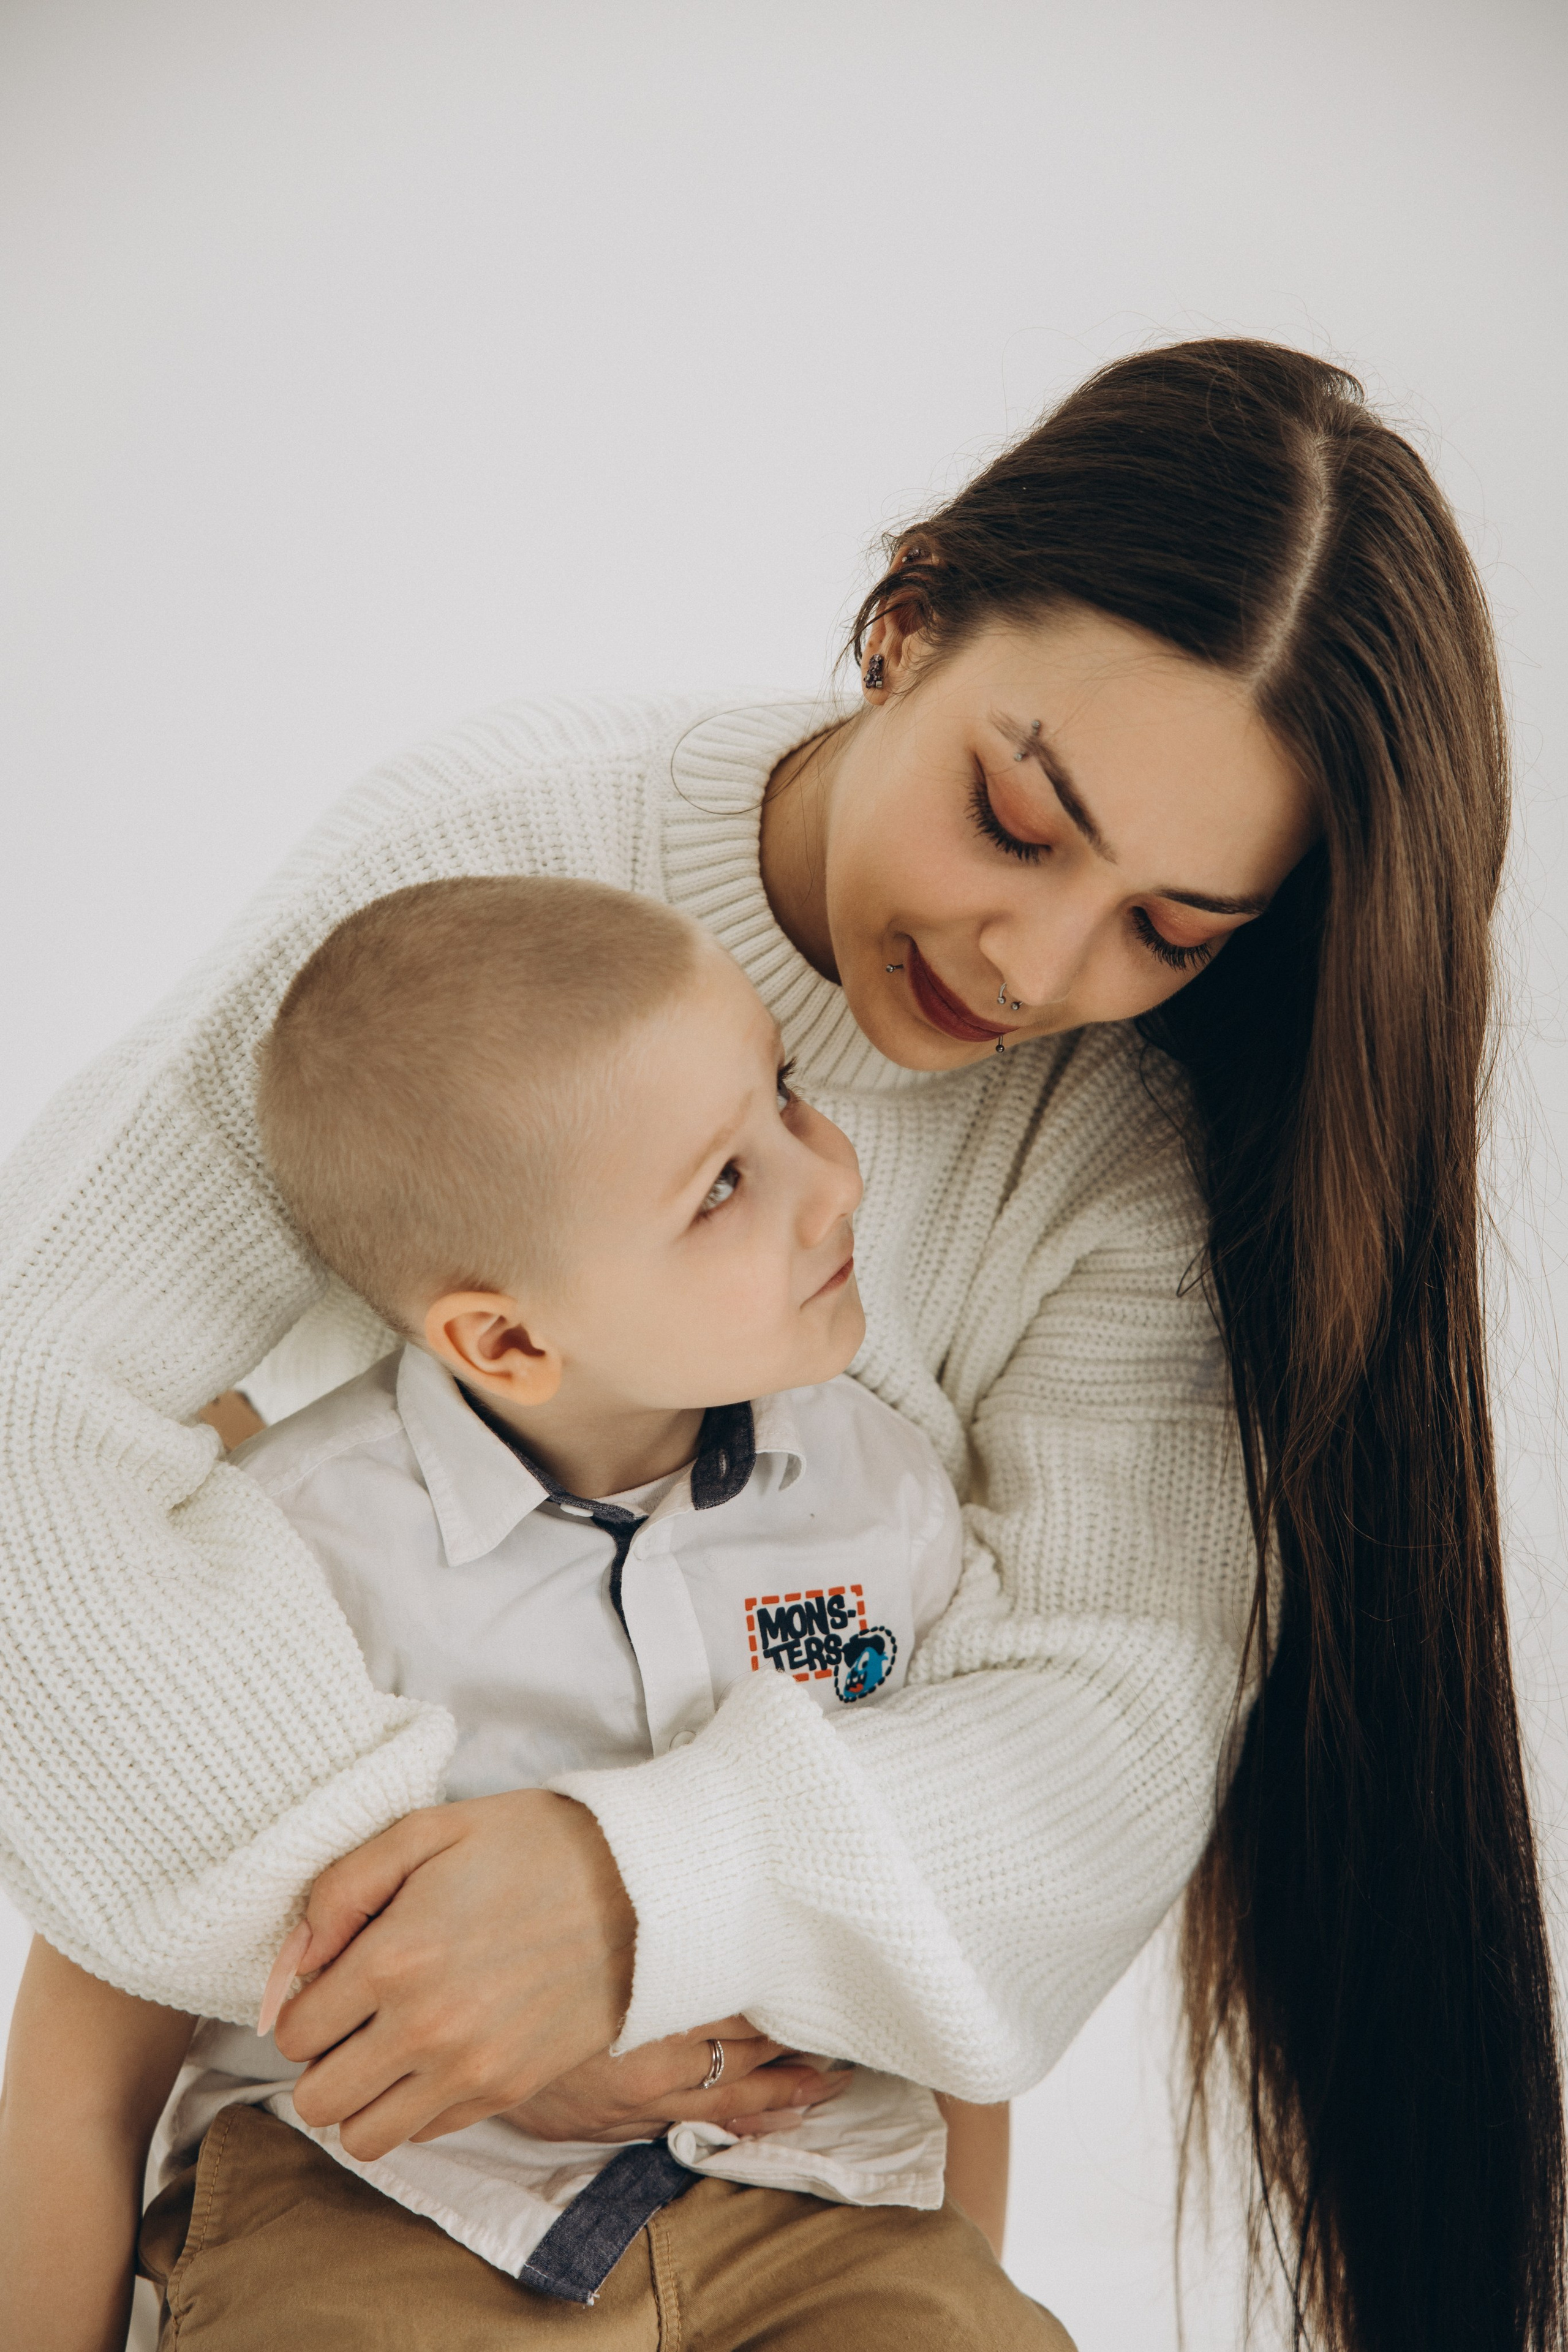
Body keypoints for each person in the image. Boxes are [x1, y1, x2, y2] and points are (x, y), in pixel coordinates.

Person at [0, 339, 1558, 2352]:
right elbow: (39, 1412)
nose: (1036, 968)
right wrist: (426, 1944)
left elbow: (1106, 1725)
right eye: (1016, 818)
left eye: (1172, 931)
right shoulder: (482, 869)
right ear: (906, 620)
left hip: (801, 2187)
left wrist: (641, 1899)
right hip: (363, 2154)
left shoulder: (1133, 1148)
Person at [0, 873, 1039, 2348]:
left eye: (784, 1096)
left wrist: (956, 2280)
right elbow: (83, 2053)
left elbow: (952, 1955)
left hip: (811, 2197)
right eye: (721, 1186)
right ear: (504, 1339)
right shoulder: (288, 1554)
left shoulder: (886, 1496)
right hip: (368, 2199)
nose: (835, 1183)